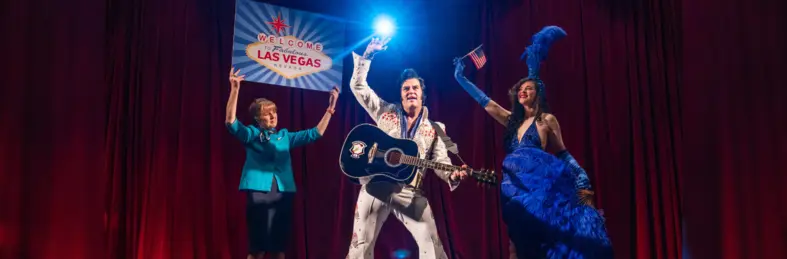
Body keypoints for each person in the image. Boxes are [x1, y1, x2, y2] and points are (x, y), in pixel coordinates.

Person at [452, 26, 613, 258]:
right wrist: (461, 78)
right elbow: (486, 103)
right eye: (520, 88)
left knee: (542, 242)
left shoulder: (547, 120)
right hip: (515, 187)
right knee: (516, 242)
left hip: (541, 189)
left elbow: (563, 153)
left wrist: (582, 178)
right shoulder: (512, 122)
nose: (522, 91)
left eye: (528, 88)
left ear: (538, 93)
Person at [345, 37, 469, 259]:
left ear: (422, 92)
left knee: (432, 247)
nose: (410, 91)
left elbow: (441, 163)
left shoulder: (436, 128)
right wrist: (367, 56)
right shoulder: (386, 112)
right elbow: (358, 86)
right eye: (405, 89)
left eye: (415, 88)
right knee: (359, 249)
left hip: (410, 191)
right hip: (376, 185)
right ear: (401, 95)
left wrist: (454, 175)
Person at [224, 67, 339, 259]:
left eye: (274, 112)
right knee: (258, 248)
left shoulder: (284, 136)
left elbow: (315, 133)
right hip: (259, 192)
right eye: (267, 113)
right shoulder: (252, 134)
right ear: (258, 119)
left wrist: (330, 109)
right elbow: (231, 122)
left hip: (283, 193)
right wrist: (235, 89)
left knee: (279, 248)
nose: (272, 116)